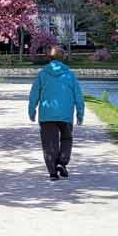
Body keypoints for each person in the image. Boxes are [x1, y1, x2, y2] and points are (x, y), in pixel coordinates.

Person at [28, 46, 85, 180]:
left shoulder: (42, 74)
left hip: (47, 115)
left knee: (49, 143)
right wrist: (80, 113)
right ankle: (62, 162)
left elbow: (34, 93)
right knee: (66, 138)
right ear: (63, 58)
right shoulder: (70, 74)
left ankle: (53, 172)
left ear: (49, 58)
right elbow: (78, 95)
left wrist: (32, 110)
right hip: (65, 114)